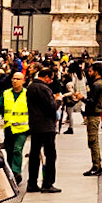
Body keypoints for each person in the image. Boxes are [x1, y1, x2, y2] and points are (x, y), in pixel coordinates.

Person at [24, 65, 63, 193]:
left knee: (34, 154)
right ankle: (47, 183)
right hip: (47, 126)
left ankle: (32, 183)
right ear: (46, 77)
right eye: (50, 79)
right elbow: (51, 107)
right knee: (50, 155)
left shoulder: (30, 87)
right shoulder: (44, 88)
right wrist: (58, 101)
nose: (51, 82)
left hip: (35, 125)